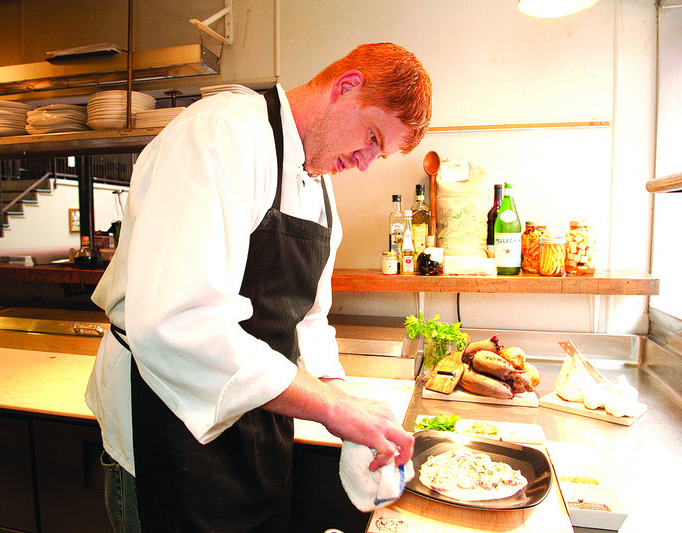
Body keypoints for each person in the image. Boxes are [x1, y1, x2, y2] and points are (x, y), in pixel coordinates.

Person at [86, 42, 432, 533]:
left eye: (381, 153)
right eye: (373, 137)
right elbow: (179, 324)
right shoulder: (223, 132)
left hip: (258, 433)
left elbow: (307, 321)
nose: (365, 162)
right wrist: (332, 409)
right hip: (165, 425)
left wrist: (344, 398)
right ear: (346, 86)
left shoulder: (321, 189)